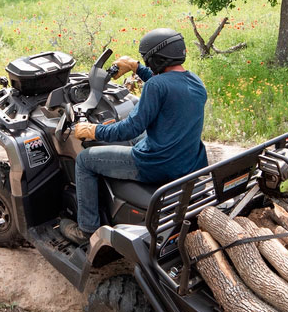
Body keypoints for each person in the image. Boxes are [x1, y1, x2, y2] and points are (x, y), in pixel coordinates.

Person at [61, 27, 208, 245]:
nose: (147, 65)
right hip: (186, 160)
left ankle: (86, 229)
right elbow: (167, 86)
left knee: (84, 160)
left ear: (157, 58)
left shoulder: (157, 86)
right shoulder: (196, 82)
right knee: (131, 141)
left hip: (157, 164)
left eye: (147, 61)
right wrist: (136, 68)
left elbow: (130, 128)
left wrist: (93, 130)